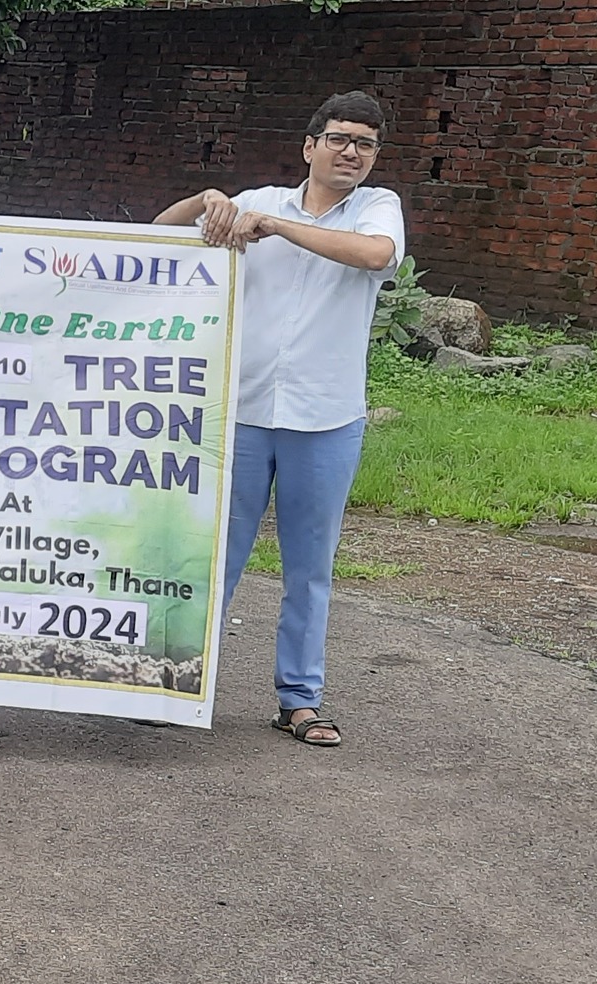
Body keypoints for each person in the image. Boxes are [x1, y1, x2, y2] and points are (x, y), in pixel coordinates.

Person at [155, 91, 405, 748]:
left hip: (324, 417)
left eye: (364, 143)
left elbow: (375, 256)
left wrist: (275, 228)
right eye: (338, 138)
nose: (350, 151)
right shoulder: (258, 199)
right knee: (214, 557)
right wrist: (204, 200)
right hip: (239, 412)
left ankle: (298, 699)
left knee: (308, 566)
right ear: (309, 146)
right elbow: (155, 236)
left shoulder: (376, 210)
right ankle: (183, 680)